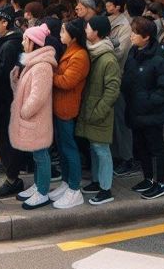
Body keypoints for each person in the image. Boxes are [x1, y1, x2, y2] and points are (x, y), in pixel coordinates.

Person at [122, 17, 164, 199]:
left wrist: (149, 101)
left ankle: (160, 183)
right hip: (135, 109)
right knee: (141, 147)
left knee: (157, 148)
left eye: (135, 33)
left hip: (151, 112)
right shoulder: (133, 52)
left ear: (146, 37)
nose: (131, 36)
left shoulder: (159, 57)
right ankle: (148, 178)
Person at [10, 24, 58, 210]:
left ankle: (43, 192)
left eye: (25, 39)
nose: (22, 42)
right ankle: (38, 186)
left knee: (41, 155)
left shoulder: (42, 66)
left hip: (37, 118)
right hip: (33, 119)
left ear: (33, 43)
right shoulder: (33, 62)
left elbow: (38, 96)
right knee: (37, 154)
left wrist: (24, 112)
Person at [75, 15, 121, 205]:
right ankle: (96, 181)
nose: (85, 30)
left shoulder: (107, 59)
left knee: (102, 150)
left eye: (89, 27)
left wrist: (98, 111)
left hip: (98, 113)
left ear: (97, 32)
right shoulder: (93, 52)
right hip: (90, 110)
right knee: (94, 148)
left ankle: (105, 189)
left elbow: (112, 90)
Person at [50, 19, 90, 209]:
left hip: (67, 107)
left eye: (64, 31)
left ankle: (74, 189)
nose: (60, 34)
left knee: (69, 148)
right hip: (60, 106)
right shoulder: (69, 51)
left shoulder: (79, 56)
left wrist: (49, 75)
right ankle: (66, 183)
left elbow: (67, 82)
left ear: (73, 36)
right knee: (63, 147)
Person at [0, 7, 26, 199]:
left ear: (5, 23)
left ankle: (13, 179)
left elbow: (3, 74)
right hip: (0, 100)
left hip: (6, 101)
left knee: (7, 139)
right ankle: (6, 167)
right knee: (2, 138)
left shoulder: (10, 45)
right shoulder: (1, 41)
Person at [105, 0, 135, 177]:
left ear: (118, 7)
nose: (107, 6)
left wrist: (102, 46)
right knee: (114, 118)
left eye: (110, 4)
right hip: (111, 75)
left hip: (119, 74)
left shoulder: (124, 26)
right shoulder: (108, 21)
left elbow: (121, 50)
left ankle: (126, 157)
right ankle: (118, 155)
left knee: (121, 119)